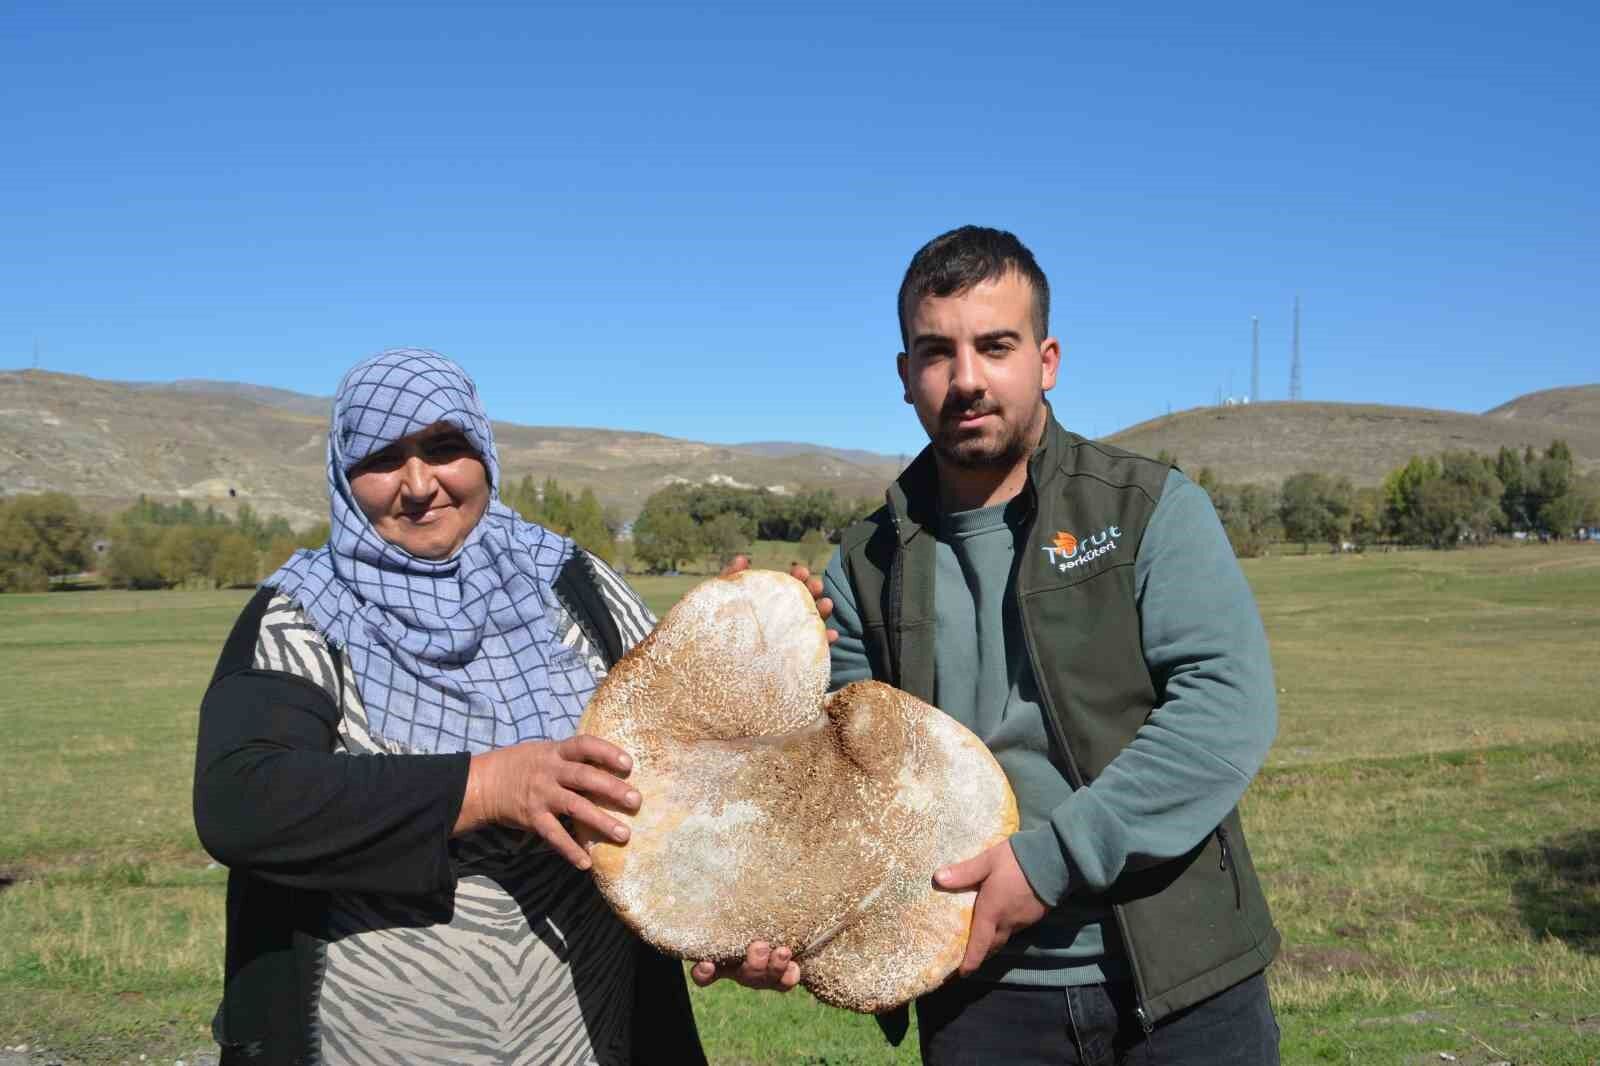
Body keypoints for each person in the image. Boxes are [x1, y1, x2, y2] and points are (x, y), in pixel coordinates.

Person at [193, 348, 791, 1066]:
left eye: (444, 447)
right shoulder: (302, 613)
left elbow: (682, 762)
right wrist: (487, 787)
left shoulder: (572, 583)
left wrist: (740, 660)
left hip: (590, 1035)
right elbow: (241, 798)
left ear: (482, 451)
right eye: (382, 458)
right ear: (344, 474)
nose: (420, 484)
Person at [803, 227, 1282, 1064]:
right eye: (937, 352)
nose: (967, 379)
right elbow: (841, 777)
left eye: (996, 346)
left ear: (1046, 360)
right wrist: (767, 649)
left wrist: (1048, 863)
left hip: (1182, 983)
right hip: (979, 994)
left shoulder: (1147, 510)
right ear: (906, 375)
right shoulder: (862, 563)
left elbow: (1224, 711)